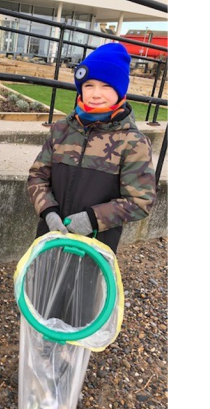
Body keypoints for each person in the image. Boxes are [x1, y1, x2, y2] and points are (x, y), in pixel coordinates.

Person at [27, 42, 156, 253]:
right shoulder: (60, 130)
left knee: (84, 287)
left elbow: (141, 201)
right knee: (43, 286)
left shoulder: (133, 142)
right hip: (50, 238)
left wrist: (92, 220)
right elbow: (37, 176)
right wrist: (48, 211)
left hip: (95, 248)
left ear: (120, 90)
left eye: (106, 86)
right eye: (89, 85)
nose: (96, 94)